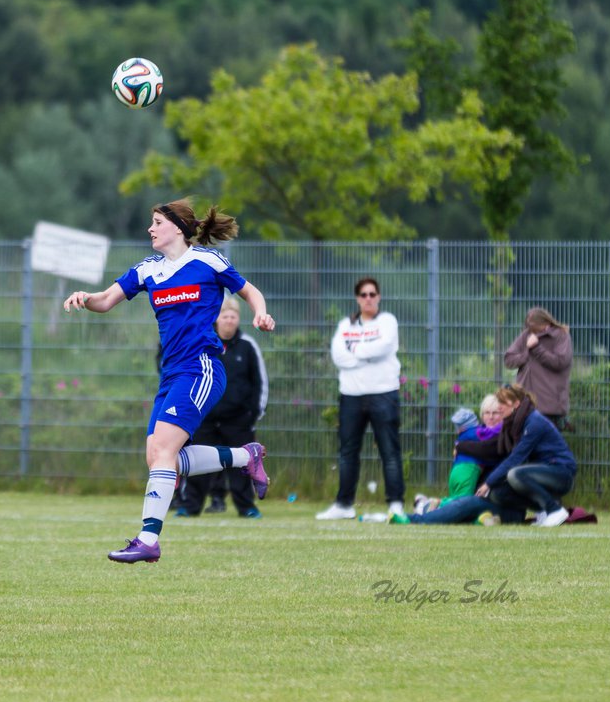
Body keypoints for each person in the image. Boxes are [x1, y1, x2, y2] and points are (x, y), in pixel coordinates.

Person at [62, 198, 275, 563]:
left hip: (201, 367)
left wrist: (261, 313)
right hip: (171, 372)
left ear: (177, 227)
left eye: (157, 221)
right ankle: (245, 456)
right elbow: (106, 299)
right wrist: (86, 297)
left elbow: (249, 291)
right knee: (159, 457)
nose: (151, 228)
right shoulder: (148, 270)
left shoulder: (208, 261)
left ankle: (148, 539)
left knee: (163, 450)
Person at [394, 383, 578, 527]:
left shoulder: (525, 425)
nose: (493, 416)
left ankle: (417, 518)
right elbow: (492, 449)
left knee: (481, 497)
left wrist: (464, 449)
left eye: (497, 411)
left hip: (545, 481)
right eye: (488, 412)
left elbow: (503, 455)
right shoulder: (510, 428)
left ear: (515, 405)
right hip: (507, 498)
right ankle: (428, 512)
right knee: (474, 503)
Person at [316, 277, 404, 520]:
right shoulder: (346, 324)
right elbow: (338, 356)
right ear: (357, 298)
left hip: (383, 392)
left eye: (372, 294)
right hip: (351, 395)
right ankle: (344, 505)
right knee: (348, 452)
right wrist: (366, 355)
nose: (368, 298)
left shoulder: (387, 321)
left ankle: (395, 503)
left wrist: (355, 350)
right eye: (364, 294)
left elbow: (384, 347)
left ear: (379, 296)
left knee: (389, 451)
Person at [175, 298, 269, 519]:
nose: (229, 320)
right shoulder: (204, 343)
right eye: (225, 316)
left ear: (238, 319)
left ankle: (247, 507)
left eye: (233, 317)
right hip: (203, 418)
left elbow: (260, 382)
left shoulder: (247, 346)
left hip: (238, 419)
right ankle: (190, 506)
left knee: (243, 464)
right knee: (196, 462)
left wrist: (253, 413)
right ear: (217, 319)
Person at [410, 396, 503, 518]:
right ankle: (429, 506)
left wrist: (459, 446)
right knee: (462, 502)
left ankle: (427, 504)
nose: (490, 417)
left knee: (458, 500)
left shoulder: (476, 433)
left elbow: (486, 450)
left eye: (495, 413)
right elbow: (486, 450)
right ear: (481, 415)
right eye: (487, 413)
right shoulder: (482, 432)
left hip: (462, 473)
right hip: (467, 473)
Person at [504, 306, 572, 430]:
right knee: (527, 445)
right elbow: (508, 360)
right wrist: (526, 355)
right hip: (525, 405)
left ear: (547, 323)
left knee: (548, 446)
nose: (535, 333)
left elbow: (560, 363)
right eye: (531, 329)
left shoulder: (561, 336)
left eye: (537, 329)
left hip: (550, 407)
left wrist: (536, 348)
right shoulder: (527, 335)